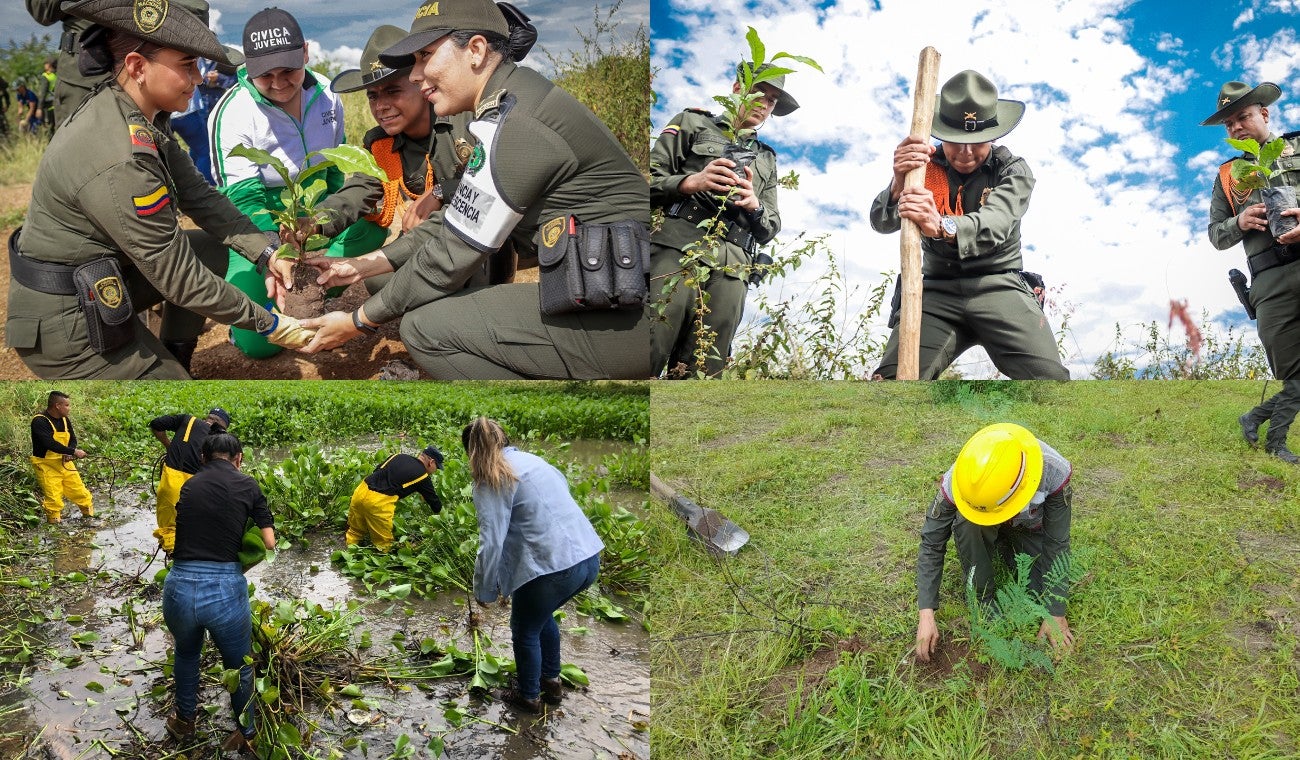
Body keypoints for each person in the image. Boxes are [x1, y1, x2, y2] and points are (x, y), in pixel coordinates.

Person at [298, 0, 650, 379]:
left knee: (424, 329)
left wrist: (357, 321)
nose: (417, 75)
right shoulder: (510, 102)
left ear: (477, 50)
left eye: (426, 57)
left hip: (629, 305)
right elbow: (458, 219)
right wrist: (359, 260)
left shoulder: (512, 123)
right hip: (598, 282)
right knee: (396, 287)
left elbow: (456, 248)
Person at [4, 0, 312, 380]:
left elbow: (199, 196)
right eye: (187, 65)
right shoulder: (120, 155)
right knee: (186, 419)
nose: (199, 79)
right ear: (137, 67)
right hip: (66, 321)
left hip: (104, 282)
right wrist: (270, 324)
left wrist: (266, 253)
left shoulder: (142, 115)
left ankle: (174, 360)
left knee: (211, 251)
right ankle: (166, 373)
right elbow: (179, 279)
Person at [869, 70, 1070, 380]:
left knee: (1049, 383)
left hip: (998, 285)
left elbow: (996, 223)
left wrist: (941, 224)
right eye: (955, 141)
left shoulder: (1013, 170)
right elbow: (881, 222)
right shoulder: (924, 166)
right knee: (894, 383)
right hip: (935, 291)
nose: (965, 153)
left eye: (976, 142)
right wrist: (899, 181)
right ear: (941, 134)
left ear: (994, 134)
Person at [208, 7, 368, 359]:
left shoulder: (327, 95)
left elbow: (334, 170)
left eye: (288, 71)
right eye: (266, 75)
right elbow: (243, 200)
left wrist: (324, 222)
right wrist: (272, 253)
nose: (279, 83)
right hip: (257, 217)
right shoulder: (232, 112)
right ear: (248, 69)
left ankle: (317, 287)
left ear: (306, 54)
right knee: (257, 344)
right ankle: (279, 294)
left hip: (313, 207)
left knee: (369, 227)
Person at [297, 24, 504, 294]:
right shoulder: (382, 143)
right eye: (373, 96)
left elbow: (498, 186)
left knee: (472, 291)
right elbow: (359, 190)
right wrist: (313, 221)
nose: (380, 106)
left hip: (481, 234)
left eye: (393, 91)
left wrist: (441, 192)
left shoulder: (463, 121)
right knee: (378, 283)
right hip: (430, 239)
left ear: (421, 81)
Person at [649, 64, 795, 378]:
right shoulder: (693, 123)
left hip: (734, 267)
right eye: (759, 92)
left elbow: (771, 225)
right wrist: (691, 182)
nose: (764, 104)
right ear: (738, 88)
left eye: (771, 101)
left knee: (704, 368)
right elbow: (648, 180)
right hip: (677, 248)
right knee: (651, 342)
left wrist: (754, 206)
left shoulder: (767, 158)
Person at [462, 417, 603, 712]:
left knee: (524, 629)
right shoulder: (533, 461)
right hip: (588, 557)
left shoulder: (491, 479)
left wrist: (485, 590)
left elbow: (491, 541)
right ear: (504, 440)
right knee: (541, 616)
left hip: (554, 568)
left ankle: (528, 697)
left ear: (471, 453)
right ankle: (551, 684)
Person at [915, 423, 1074, 663]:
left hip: (1028, 529)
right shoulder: (958, 481)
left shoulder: (1053, 471)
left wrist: (1056, 614)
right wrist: (926, 612)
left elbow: (1057, 543)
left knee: (1040, 592)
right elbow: (932, 542)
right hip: (981, 527)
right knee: (968, 524)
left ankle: (1007, 550)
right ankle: (982, 597)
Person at [1203, 81, 1300, 463]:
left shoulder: (1297, 147)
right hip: (1269, 284)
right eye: (1229, 124)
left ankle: (1256, 419)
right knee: (1291, 373)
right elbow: (1215, 234)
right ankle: (1275, 444)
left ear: (1264, 113)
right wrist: (1239, 222)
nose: (1236, 127)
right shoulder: (1228, 175)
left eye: (1242, 116)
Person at [161, 432, 273, 754]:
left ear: (203, 459)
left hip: (179, 584)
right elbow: (268, 543)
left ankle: (184, 722)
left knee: (186, 653)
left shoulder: (189, 484)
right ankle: (247, 734)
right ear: (239, 459)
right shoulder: (249, 485)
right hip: (224, 588)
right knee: (239, 665)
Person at [149, 407, 231, 553]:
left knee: (169, 531)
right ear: (221, 425)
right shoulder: (218, 438)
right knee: (195, 531)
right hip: (195, 489)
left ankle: (173, 563)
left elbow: (156, 424)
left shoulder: (187, 420)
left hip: (170, 485)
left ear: (208, 418)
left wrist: (169, 445)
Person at [25, 0, 109, 125]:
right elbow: (42, 10)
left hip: (86, 78)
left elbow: (41, 10)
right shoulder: (47, 77)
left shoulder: (46, 77)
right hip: (87, 76)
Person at [346, 444, 443, 551]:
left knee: (355, 532)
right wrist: (442, 520)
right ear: (431, 462)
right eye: (437, 467)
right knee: (384, 546)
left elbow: (378, 470)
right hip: (377, 503)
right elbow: (435, 503)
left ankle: (348, 553)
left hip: (360, 492)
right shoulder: (423, 476)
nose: (436, 470)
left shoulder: (398, 456)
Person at [29, 390, 93, 524]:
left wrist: (69, 452)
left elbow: (73, 439)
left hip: (64, 463)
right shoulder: (39, 421)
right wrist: (73, 452)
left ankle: (89, 519)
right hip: (46, 465)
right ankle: (55, 529)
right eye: (67, 405)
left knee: (80, 492)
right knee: (53, 498)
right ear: (57, 406)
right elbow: (49, 443)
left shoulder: (64, 420)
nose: (69, 408)